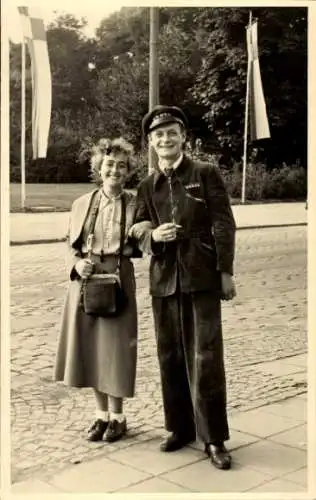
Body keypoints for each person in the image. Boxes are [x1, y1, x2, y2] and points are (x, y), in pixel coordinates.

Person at [131, 105, 237, 470]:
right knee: (170, 356)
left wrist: (225, 271)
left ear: (183, 137)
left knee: (206, 358)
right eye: (158, 135)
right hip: (163, 280)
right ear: (151, 143)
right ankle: (179, 428)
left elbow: (224, 223)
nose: (165, 139)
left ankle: (214, 438)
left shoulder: (205, 173)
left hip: (202, 277)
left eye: (171, 132)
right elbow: (136, 229)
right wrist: (152, 234)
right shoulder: (147, 185)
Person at [54, 137, 143, 443]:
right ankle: (100, 415)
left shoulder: (136, 203)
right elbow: (69, 244)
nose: (114, 170)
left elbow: (145, 240)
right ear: (98, 167)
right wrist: (76, 264)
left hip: (119, 278)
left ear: (128, 170)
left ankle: (118, 418)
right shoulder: (81, 204)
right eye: (109, 164)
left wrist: (147, 234)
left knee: (115, 350)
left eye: (121, 165)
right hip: (86, 280)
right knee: (91, 348)